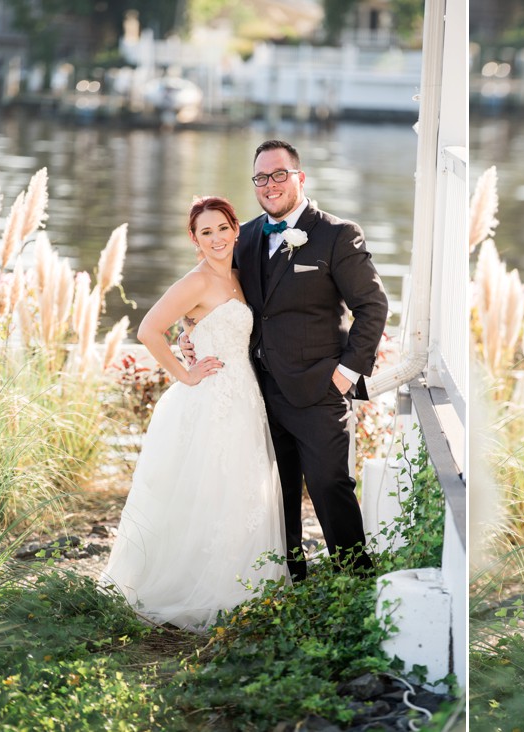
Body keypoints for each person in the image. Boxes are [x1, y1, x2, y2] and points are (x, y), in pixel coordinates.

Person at [185, 140, 389, 582]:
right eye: (261, 177)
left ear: (300, 177)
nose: (270, 184)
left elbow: (372, 307)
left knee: (331, 486)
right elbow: (218, 298)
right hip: (256, 389)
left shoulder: (338, 234)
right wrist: (191, 338)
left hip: (319, 389)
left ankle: (356, 580)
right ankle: (290, 576)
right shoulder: (248, 236)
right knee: (274, 493)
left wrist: (346, 374)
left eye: (279, 174)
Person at [101, 196, 289, 632]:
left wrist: (190, 331)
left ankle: (242, 583)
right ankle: (197, 586)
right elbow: (148, 329)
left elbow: (209, 325)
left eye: (222, 228)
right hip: (209, 399)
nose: (217, 238)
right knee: (207, 489)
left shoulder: (241, 278)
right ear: (194, 239)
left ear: (236, 229)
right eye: (206, 232)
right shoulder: (196, 281)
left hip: (245, 396)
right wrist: (185, 374)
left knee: (240, 489)